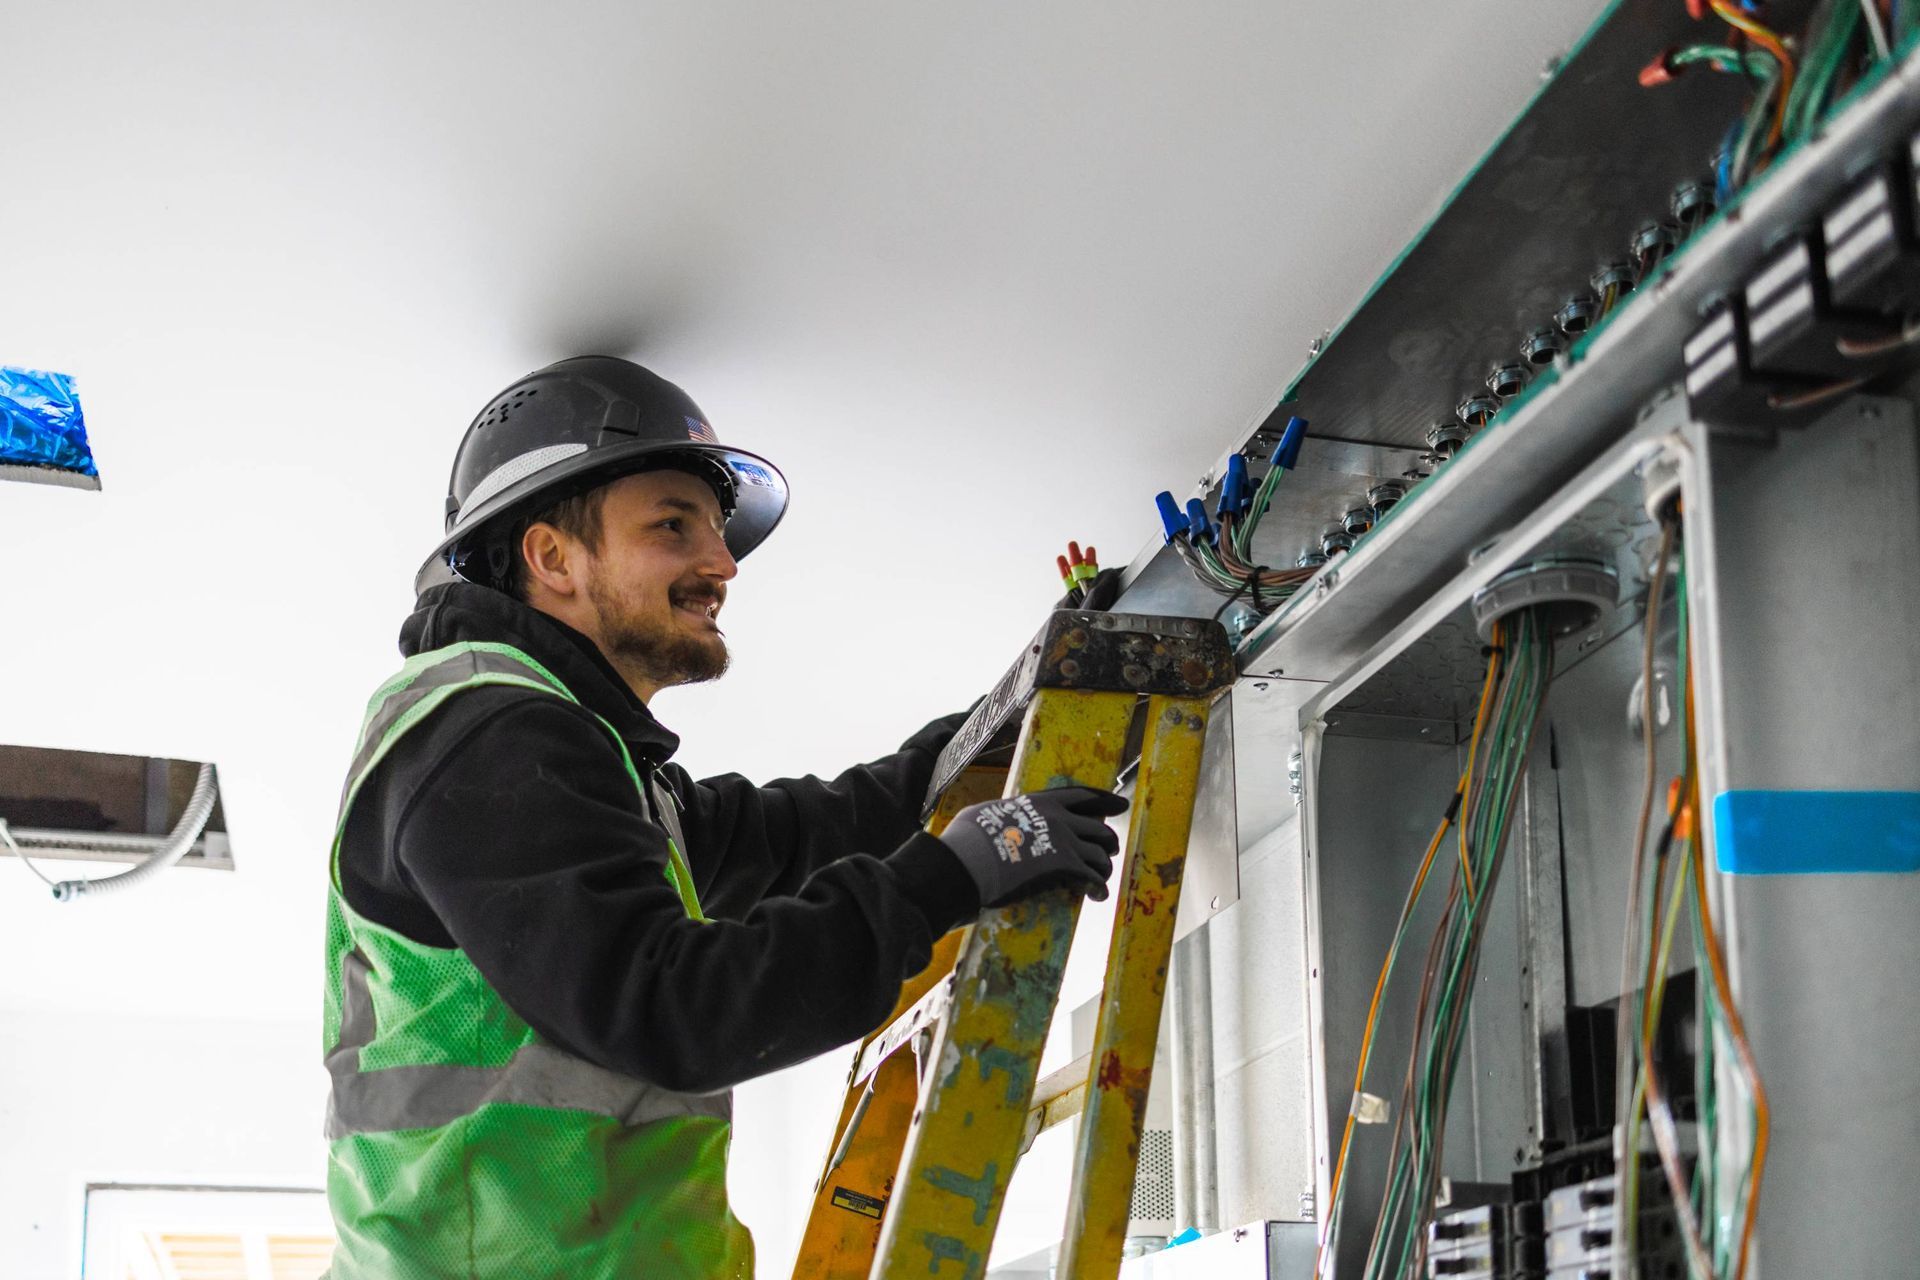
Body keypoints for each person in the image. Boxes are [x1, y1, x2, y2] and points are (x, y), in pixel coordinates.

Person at [319, 356, 1128, 1279]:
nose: (723, 564)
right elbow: (673, 1007)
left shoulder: (585, 760)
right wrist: (950, 874)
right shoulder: (492, 737)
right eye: (674, 528)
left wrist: (1008, 713)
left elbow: (806, 833)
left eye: (716, 532)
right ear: (551, 558)